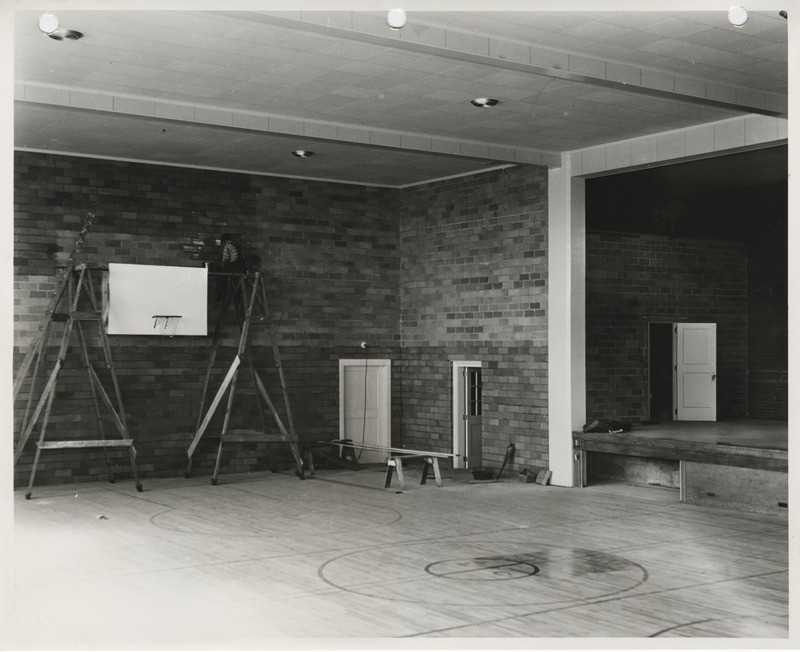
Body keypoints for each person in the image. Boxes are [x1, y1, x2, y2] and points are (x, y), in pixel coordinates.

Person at [217, 233, 247, 301]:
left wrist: (222, 268)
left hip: (233, 266)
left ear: (223, 241)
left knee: (221, 277)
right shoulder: (237, 245)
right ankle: (238, 296)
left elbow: (225, 259)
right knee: (238, 282)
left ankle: (220, 295)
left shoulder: (227, 246)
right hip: (242, 267)